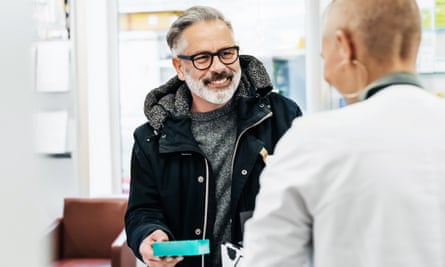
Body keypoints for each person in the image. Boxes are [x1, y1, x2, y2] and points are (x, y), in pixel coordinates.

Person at [243, 0, 445, 267]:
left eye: (325, 58)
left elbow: (269, 260)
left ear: (345, 46)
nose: (327, 76)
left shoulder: (313, 141)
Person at [124, 5, 302, 267]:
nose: (219, 67)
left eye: (226, 53)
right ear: (179, 67)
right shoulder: (151, 137)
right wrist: (149, 235)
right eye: (203, 58)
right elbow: (142, 211)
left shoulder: (281, 116)